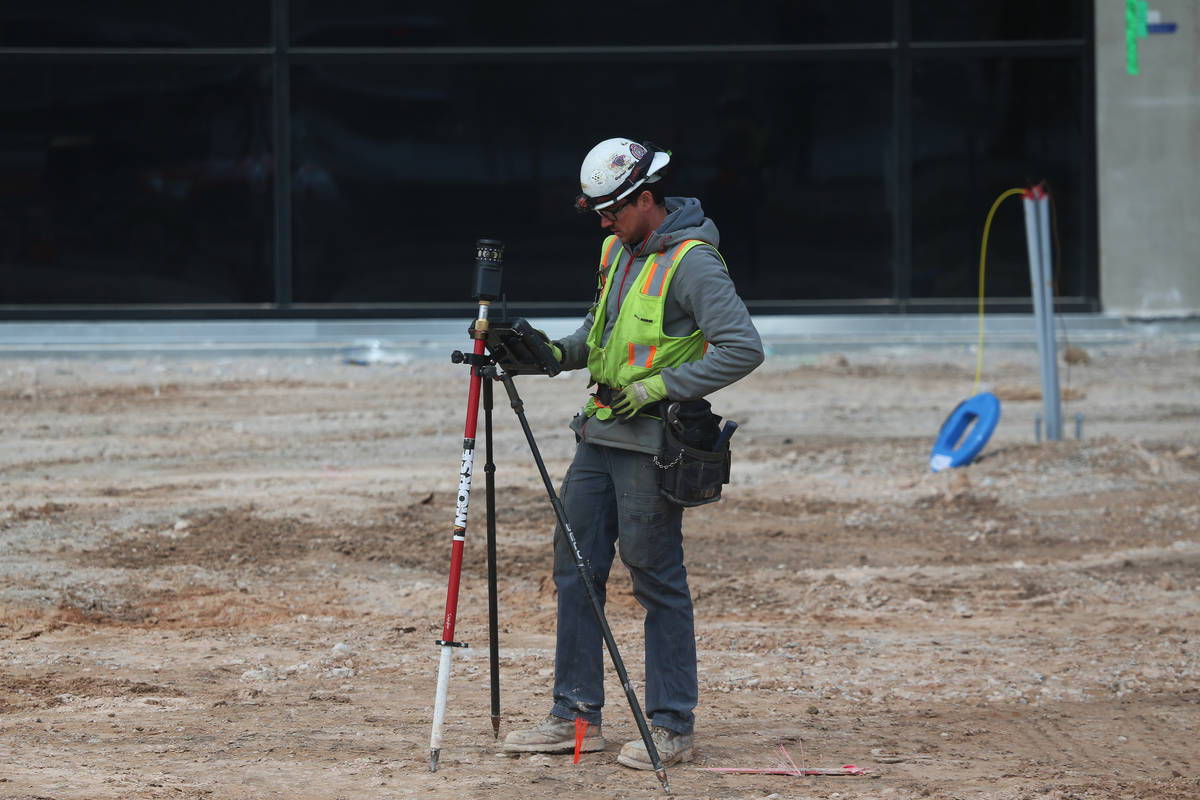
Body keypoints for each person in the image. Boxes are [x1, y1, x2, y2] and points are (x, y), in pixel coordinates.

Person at [502, 138, 764, 769]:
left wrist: (655, 387)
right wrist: (551, 353)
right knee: (576, 572)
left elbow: (742, 347)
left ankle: (672, 725)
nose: (602, 222)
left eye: (611, 210)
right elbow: (602, 334)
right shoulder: (615, 251)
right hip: (597, 436)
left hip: (651, 446)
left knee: (655, 578)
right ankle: (574, 718)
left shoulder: (694, 263)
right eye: (597, 212)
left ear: (646, 199)